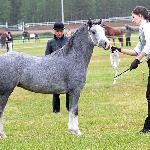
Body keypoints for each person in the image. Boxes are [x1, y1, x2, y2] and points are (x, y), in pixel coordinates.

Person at [111, 6, 150, 133]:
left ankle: (148, 126)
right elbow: (136, 50)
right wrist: (118, 49)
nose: (132, 20)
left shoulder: (147, 27)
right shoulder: (142, 29)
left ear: (140, 16)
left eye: (133, 17)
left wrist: (138, 60)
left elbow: (149, 45)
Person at [45, 22, 69, 113]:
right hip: (55, 69)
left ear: (63, 31)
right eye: (57, 31)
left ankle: (69, 108)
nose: (59, 33)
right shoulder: (50, 42)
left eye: (61, 31)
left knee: (69, 90)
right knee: (55, 91)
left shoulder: (68, 41)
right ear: (54, 31)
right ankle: (56, 110)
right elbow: (47, 56)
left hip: (67, 69)